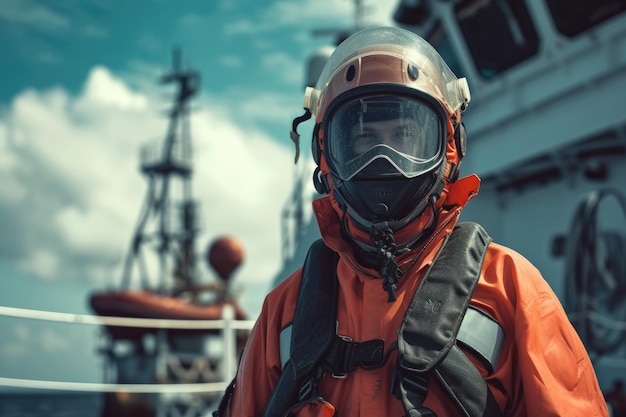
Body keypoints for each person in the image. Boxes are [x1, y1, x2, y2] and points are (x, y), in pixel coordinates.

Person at [216, 26, 608, 416]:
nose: (384, 160)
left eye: (405, 135)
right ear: (327, 154)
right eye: (364, 141)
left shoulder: (512, 290)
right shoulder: (284, 310)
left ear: (448, 146)